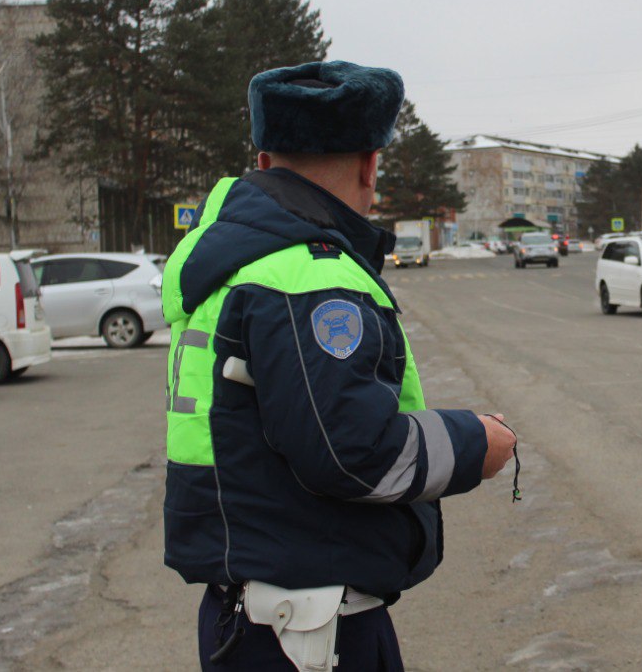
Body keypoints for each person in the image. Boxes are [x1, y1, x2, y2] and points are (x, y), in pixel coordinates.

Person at [161, 61, 517, 671]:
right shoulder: (308, 274)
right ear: (369, 165)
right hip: (309, 634)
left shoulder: (233, 261)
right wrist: (476, 442)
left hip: (253, 614)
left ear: (263, 160)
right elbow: (354, 452)